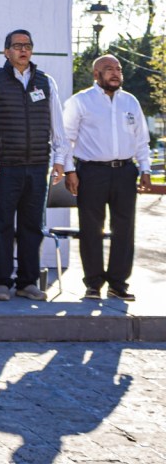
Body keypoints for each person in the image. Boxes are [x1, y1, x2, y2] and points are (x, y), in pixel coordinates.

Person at [0, 29, 66, 302]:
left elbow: (56, 124)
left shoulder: (46, 82)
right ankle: (1, 282)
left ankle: (28, 282)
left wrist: (59, 159)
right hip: (4, 167)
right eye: (17, 46)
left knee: (32, 226)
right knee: (2, 225)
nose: (23, 50)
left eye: (27, 45)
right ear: (6, 51)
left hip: (37, 165)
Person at [63, 54, 152, 301]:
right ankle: (93, 284)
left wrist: (145, 169)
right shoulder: (80, 101)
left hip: (125, 171)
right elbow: (65, 139)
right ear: (96, 74)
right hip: (92, 172)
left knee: (124, 228)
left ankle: (118, 284)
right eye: (108, 69)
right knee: (91, 228)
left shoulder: (130, 101)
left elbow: (141, 138)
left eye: (118, 69)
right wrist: (70, 171)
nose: (115, 73)